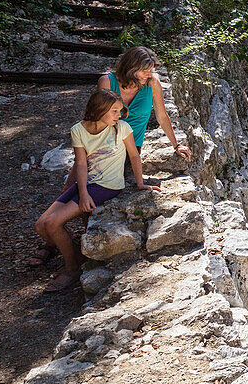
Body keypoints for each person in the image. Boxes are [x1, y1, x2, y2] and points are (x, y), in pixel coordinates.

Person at [28, 46, 190, 267]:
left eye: (151, 71)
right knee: (72, 181)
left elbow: (162, 115)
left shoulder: (152, 85)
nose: (149, 75)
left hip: (127, 146)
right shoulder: (107, 81)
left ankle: (70, 242)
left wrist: (176, 144)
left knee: (86, 183)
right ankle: (54, 240)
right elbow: (95, 115)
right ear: (131, 68)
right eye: (145, 71)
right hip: (98, 145)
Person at [34, 88, 160, 292]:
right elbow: (81, 165)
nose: (119, 115)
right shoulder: (79, 130)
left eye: (120, 111)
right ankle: (77, 254)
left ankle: (72, 268)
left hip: (107, 186)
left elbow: (134, 156)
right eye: (114, 111)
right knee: (40, 225)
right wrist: (82, 192)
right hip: (86, 184)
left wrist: (140, 183)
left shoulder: (122, 128)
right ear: (99, 110)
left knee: (53, 223)